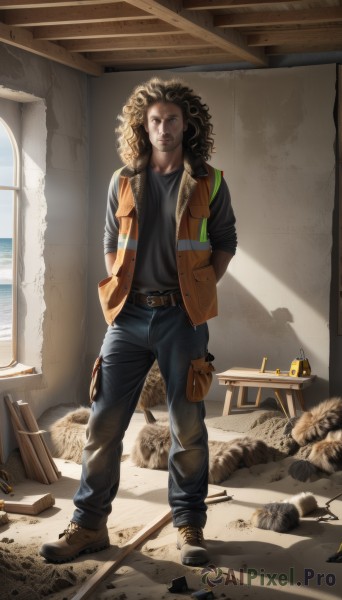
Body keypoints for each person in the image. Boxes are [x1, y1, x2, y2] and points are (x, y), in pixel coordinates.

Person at [40, 77, 237, 566]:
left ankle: (189, 525)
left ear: (187, 124)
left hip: (183, 317)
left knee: (188, 428)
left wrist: (200, 289)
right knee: (103, 426)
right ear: (142, 126)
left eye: (172, 119)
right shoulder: (122, 180)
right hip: (127, 318)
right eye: (154, 121)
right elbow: (111, 239)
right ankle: (88, 526)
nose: (163, 128)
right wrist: (123, 285)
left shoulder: (210, 181)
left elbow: (227, 240)